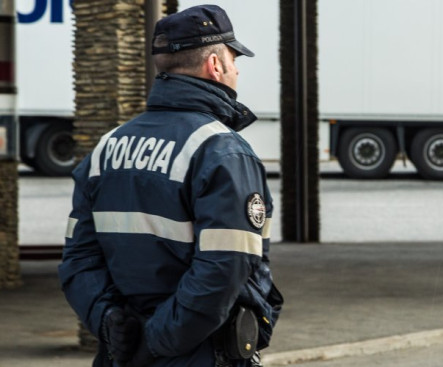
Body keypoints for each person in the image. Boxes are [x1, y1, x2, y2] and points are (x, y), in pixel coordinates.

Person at [58, 5, 283, 367]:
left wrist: (110, 321)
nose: (237, 69)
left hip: (120, 354)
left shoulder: (106, 148)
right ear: (214, 64)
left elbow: (79, 258)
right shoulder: (222, 150)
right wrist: (157, 342)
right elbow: (223, 270)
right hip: (196, 354)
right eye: (233, 58)